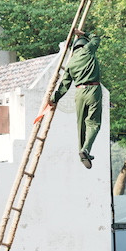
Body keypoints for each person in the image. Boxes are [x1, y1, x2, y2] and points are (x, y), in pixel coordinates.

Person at [46, 29, 102, 169]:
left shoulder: (70, 63)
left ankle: (83, 151)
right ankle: (86, 149)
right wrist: (84, 34)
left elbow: (64, 86)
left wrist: (53, 99)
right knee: (93, 123)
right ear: (83, 45)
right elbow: (96, 39)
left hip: (79, 93)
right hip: (93, 90)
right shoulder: (87, 50)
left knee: (81, 125)